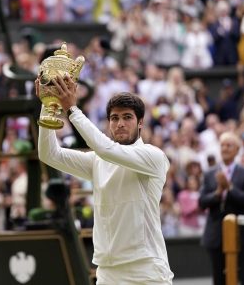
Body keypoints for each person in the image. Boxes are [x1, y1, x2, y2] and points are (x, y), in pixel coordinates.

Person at [36, 75, 173, 284]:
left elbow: (104, 149)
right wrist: (48, 106)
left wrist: (73, 110)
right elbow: (49, 154)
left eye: (127, 117)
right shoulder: (98, 161)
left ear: (140, 123)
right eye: (114, 118)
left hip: (146, 269)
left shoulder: (153, 156)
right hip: (108, 272)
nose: (120, 124)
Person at [199, 132, 244, 285]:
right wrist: (217, 193)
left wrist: (229, 187)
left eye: (229, 145)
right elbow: (202, 202)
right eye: (222, 145)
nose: (225, 148)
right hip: (215, 235)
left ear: (237, 150)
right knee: (219, 278)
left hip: (240, 234)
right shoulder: (210, 173)